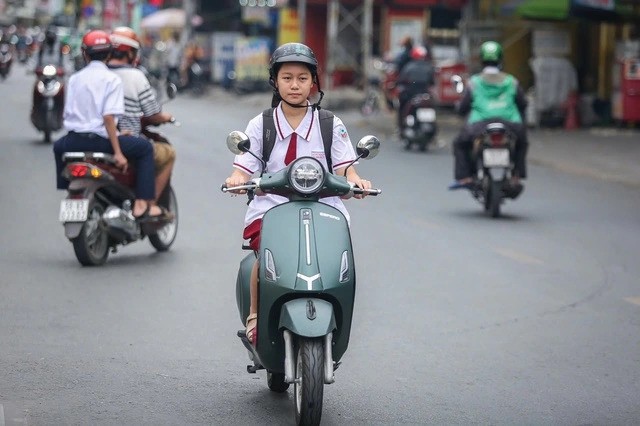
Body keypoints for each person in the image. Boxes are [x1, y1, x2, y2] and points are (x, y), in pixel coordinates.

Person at [224, 42, 373, 344]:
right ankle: (255, 314)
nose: (294, 85)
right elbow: (244, 166)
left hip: (324, 206)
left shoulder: (330, 123)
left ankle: (337, 314)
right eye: (287, 78)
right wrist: (237, 178)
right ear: (275, 82)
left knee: (336, 260)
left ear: (313, 82)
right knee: (263, 255)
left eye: (302, 78)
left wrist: (357, 180)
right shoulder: (261, 124)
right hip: (271, 205)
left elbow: (346, 167)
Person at [53, 29, 168, 220]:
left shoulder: (74, 79)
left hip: (72, 141)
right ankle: (141, 203)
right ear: (108, 54)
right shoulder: (111, 79)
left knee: (57, 147)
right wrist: (118, 153)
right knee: (145, 148)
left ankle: (66, 185)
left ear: (84, 53)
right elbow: (108, 118)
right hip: (101, 141)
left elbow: (68, 114)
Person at [108, 26, 177, 204]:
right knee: (166, 153)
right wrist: (164, 117)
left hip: (95, 138)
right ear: (130, 53)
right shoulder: (135, 76)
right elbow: (153, 113)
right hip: (125, 138)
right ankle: (147, 205)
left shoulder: (97, 73)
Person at [450, 41, 528, 193]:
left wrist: (460, 110)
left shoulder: (474, 82)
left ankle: (465, 177)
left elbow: (464, 106)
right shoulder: (511, 81)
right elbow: (523, 103)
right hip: (511, 123)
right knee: (522, 143)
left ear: (481, 59)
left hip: (479, 124)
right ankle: (517, 175)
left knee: (460, 144)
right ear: (500, 59)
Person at [395, 45, 435, 131]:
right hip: (424, 94)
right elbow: (432, 81)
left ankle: (401, 126)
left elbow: (401, 80)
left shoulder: (408, 67)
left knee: (402, 105)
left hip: (411, 94)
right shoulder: (429, 67)